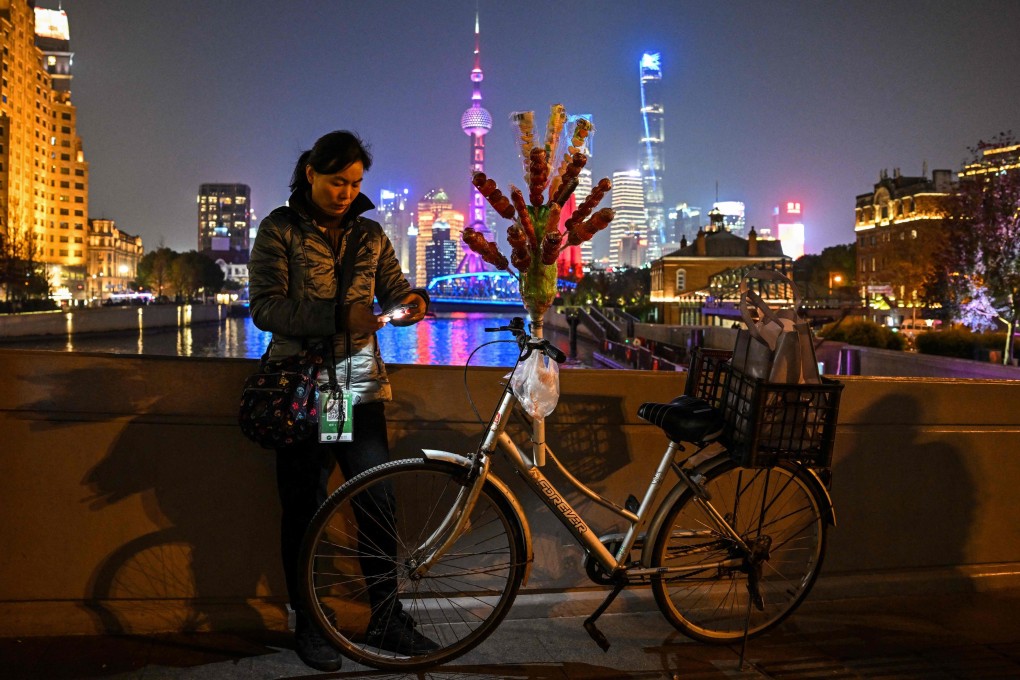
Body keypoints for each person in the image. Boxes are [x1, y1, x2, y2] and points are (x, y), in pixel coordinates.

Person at [248, 130, 434, 672]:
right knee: (304, 505)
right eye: (336, 181)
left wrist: (413, 301)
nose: (346, 192)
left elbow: (395, 288)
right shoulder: (279, 230)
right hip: (303, 385)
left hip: (357, 383)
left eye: (354, 183)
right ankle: (309, 621)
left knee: (376, 501)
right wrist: (337, 318)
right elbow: (265, 308)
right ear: (310, 173)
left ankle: (386, 616)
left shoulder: (371, 235)